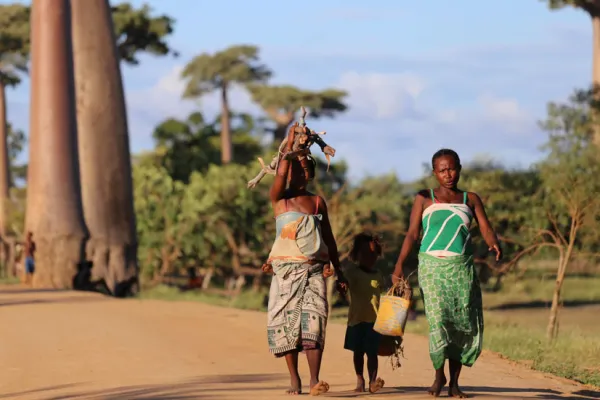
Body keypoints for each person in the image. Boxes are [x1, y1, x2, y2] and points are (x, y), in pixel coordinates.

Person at [392, 149, 502, 398]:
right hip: (431, 267)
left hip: (461, 269)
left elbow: (485, 227)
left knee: (460, 324)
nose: (448, 174)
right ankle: (438, 375)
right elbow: (412, 234)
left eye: (451, 168)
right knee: (439, 320)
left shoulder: (470, 199)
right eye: (442, 170)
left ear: (460, 168)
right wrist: (399, 265)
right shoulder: (424, 198)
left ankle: (454, 383)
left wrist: (493, 242)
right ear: (434, 173)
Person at [264, 122, 346, 396]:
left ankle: (314, 379)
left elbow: (330, 239)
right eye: (296, 169)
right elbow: (280, 174)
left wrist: (339, 270)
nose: (302, 173)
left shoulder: (317, 202)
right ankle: (294, 379)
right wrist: (291, 143)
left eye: (306, 169)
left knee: (315, 323)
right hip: (285, 273)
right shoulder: (280, 200)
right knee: (288, 327)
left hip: (314, 271)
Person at [343, 232, 386, 393]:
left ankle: (373, 381)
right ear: (357, 255)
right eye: (365, 254)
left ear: (377, 255)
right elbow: (344, 285)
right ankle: (360, 379)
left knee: (372, 353)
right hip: (356, 320)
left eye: (373, 254)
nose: (369, 257)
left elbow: (384, 294)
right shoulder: (352, 272)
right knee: (358, 353)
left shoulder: (378, 275)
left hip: (374, 321)